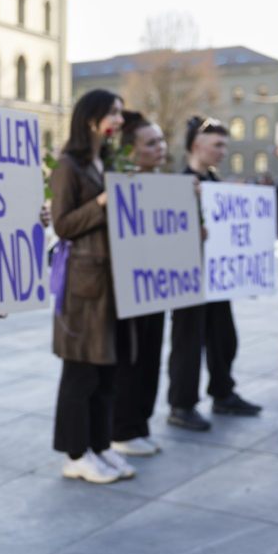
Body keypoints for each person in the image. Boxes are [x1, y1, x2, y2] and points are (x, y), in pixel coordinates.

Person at [50, 89, 134, 484]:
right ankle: (75, 453)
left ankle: (99, 445)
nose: (120, 119)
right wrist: (101, 203)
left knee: (106, 371)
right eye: (113, 113)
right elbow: (63, 224)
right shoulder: (68, 165)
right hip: (84, 286)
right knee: (81, 370)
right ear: (91, 119)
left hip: (111, 281)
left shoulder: (109, 162)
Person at [166, 116, 262, 431]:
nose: (223, 151)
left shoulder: (215, 184)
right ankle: (182, 404)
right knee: (188, 342)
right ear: (197, 145)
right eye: (217, 145)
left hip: (217, 278)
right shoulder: (182, 183)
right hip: (189, 278)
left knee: (223, 337)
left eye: (225, 145)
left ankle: (223, 392)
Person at [110, 110, 168, 457]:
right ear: (131, 150)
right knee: (130, 358)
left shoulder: (166, 185)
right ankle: (123, 427)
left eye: (161, 140)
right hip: (130, 286)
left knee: (150, 356)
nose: (160, 147)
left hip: (157, 285)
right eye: (151, 143)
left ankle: (140, 424)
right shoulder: (120, 183)